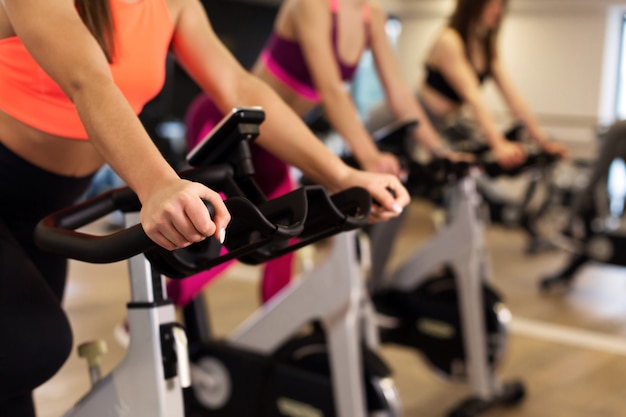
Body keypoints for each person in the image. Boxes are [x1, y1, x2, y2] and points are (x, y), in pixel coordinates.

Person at [0, 0, 411, 414]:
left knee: (15, 371)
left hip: (45, 206)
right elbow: (87, 80)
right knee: (35, 345)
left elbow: (239, 87)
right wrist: (158, 184)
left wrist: (340, 176)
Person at [169, 0, 478, 310]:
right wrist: (368, 157)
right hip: (226, 122)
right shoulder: (312, 5)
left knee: (280, 234)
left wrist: (440, 151)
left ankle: (279, 327)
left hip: (272, 139)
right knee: (227, 232)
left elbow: (398, 93)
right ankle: (156, 313)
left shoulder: (374, 18)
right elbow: (331, 90)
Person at [417, 0, 567, 160]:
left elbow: (513, 98)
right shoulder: (449, 41)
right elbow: (474, 98)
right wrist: (498, 144)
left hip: (447, 125)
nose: (498, 10)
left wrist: (543, 142)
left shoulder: (485, 47)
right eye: (492, 4)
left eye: (501, 4)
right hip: (419, 119)